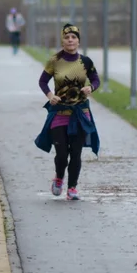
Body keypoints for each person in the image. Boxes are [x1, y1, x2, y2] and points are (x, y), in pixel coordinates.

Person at [34, 23, 101, 201]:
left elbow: (95, 79)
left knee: (76, 153)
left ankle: (72, 188)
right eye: (67, 37)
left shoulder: (86, 62)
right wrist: (50, 95)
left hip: (80, 113)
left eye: (73, 37)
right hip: (60, 113)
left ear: (78, 41)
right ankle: (58, 178)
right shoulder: (54, 61)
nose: (70, 40)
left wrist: (90, 88)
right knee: (62, 154)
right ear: (62, 41)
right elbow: (42, 81)